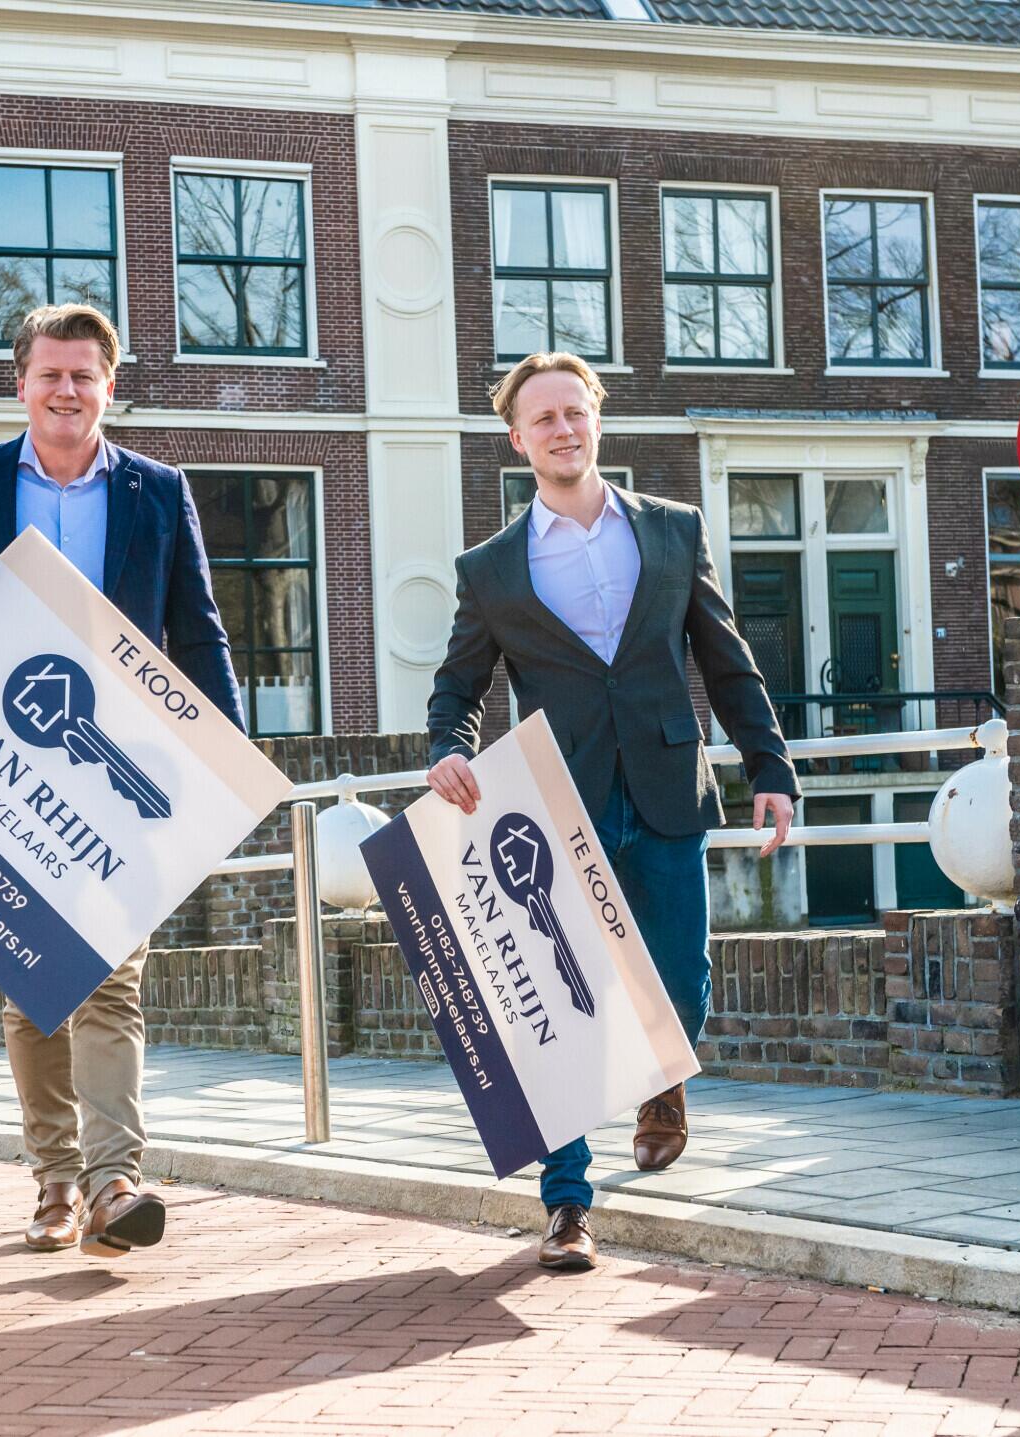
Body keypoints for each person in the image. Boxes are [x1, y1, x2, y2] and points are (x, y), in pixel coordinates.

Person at [0, 303, 245, 1258]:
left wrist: (229, 760)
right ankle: (55, 1181)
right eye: (50, 374)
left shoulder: (160, 491)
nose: (67, 391)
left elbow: (196, 629)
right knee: (33, 984)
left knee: (110, 979)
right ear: (21, 385)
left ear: (109, 386)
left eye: (85, 375)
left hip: (118, 777)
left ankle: (117, 1178)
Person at [423, 352, 799, 1273]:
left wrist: (770, 763)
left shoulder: (673, 532)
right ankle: (565, 1204)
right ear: (518, 440)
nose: (562, 429)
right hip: (555, 805)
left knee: (681, 976)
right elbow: (459, 682)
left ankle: (663, 1080)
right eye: (542, 419)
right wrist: (448, 747)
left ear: (598, 421)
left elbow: (726, 657)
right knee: (562, 1002)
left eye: (574, 412)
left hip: (669, 786)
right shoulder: (492, 569)